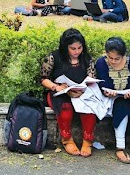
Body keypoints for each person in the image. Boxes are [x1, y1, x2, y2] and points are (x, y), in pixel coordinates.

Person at [39, 28, 98, 157]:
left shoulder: (87, 59)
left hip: (82, 93)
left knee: (89, 110)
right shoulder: (53, 57)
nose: (77, 51)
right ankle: (67, 139)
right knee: (65, 109)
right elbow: (43, 79)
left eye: (79, 47)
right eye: (73, 48)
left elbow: (92, 79)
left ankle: (88, 140)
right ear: (65, 47)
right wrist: (56, 87)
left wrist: (83, 89)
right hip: (59, 93)